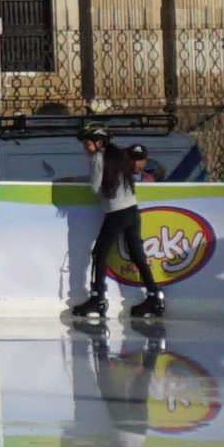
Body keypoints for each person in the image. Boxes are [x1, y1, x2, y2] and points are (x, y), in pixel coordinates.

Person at [74, 130, 153, 328]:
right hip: (132, 209)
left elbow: (95, 187)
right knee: (136, 253)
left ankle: (97, 298)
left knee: (99, 253)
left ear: (99, 142)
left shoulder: (98, 158)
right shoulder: (117, 154)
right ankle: (154, 296)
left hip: (116, 212)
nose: (86, 149)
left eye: (88, 144)